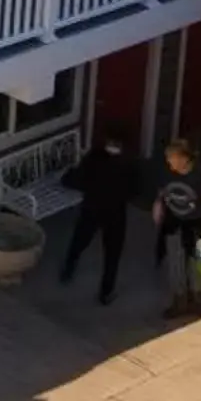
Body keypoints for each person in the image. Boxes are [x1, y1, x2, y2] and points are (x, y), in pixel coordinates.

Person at [54, 128, 138, 303]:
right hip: (115, 212)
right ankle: (106, 292)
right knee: (112, 254)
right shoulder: (128, 164)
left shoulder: (94, 158)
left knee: (79, 240)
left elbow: (76, 179)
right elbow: (135, 189)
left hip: (92, 207)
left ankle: (68, 270)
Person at [151, 136, 201, 320]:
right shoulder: (166, 173)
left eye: (172, 157)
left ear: (184, 158)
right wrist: (158, 207)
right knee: (175, 263)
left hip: (197, 225)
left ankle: (196, 301)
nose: (168, 161)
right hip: (175, 222)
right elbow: (162, 192)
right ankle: (179, 301)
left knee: (198, 265)